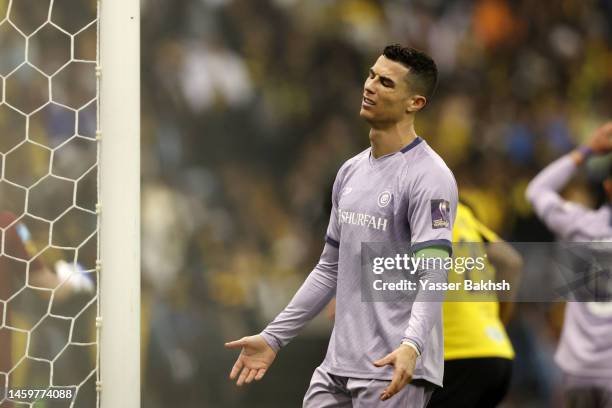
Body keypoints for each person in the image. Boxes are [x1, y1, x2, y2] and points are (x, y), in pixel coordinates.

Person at [225, 44, 458, 406]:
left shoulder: (429, 177)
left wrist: (412, 345)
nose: (370, 86)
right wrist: (274, 337)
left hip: (391, 367)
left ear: (415, 103)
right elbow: (328, 269)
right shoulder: (349, 171)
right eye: (370, 75)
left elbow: (435, 273)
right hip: (337, 366)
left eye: (386, 82)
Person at [526, 122, 612, 408]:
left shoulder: (578, 224)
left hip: (578, 369)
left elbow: (537, 189)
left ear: (608, 186)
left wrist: (587, 150)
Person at [427, 202, 522, 408]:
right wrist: (494, 322)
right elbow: (511, 261)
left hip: (453, 355)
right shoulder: (458, 211)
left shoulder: (408, 208)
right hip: (495, 351)